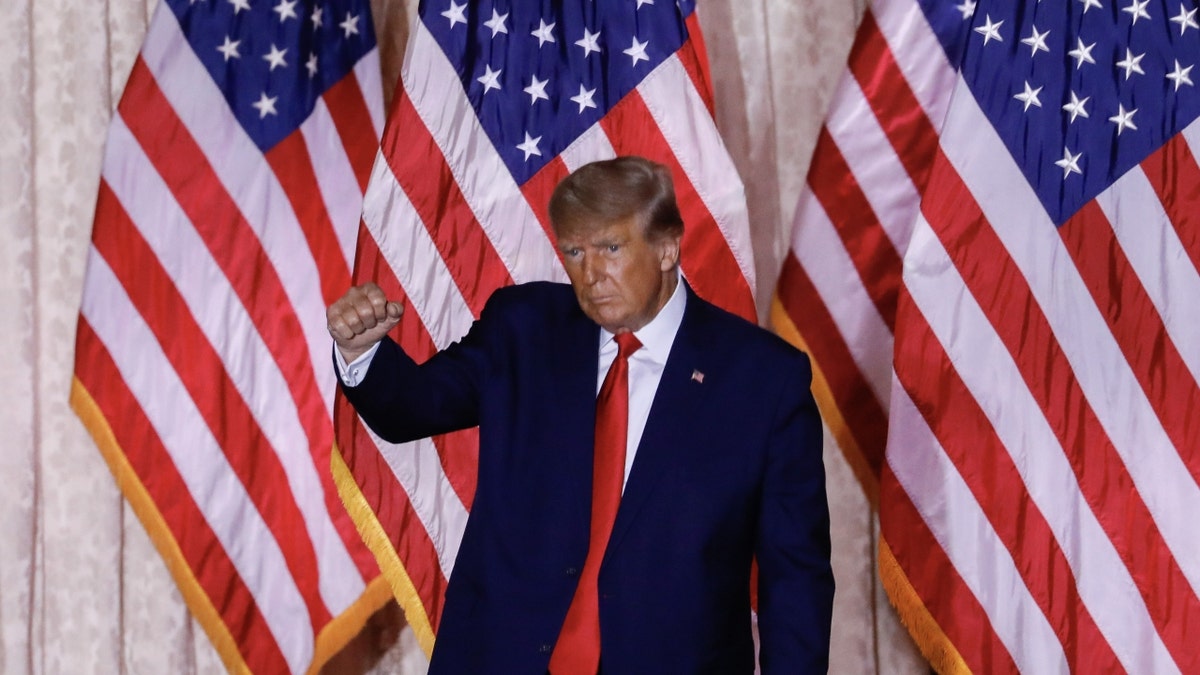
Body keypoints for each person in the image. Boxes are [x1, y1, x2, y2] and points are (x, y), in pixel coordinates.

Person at [327, 156, 833, 673]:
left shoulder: (762, 380)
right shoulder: (523, 330)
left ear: (666, 247)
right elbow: (411, 408)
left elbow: (794, 579)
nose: (590, 275)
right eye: (574, 251)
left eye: (610, 248)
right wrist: (362, 350)